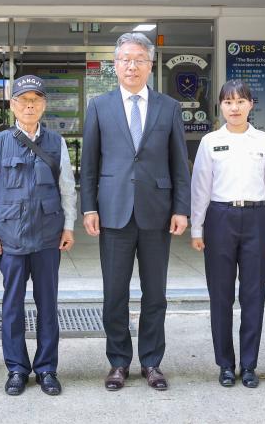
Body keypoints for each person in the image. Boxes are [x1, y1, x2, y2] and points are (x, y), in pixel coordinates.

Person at [80, 32, 191, 392]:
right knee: (115, 293)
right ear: (115, 65)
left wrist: (181, 208)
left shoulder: (168, 107)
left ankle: (152, 362)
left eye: (138, 59)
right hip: (113, 212)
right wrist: (89, 207)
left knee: (155, 293)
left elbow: (179, 164)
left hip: (157, 213)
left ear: (150, 65)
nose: (131, 65)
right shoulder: (99, 106)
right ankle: (118, 362)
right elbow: (90, 163)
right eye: (125, 59)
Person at [0, 75, 76, 397]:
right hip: (11, 236)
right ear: (13, 105)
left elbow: (67, 189)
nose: (29, 105)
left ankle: (47, 368)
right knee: (12, 307)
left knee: (48, 305)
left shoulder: (57, 143)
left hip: (48, 235)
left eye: (35, 100)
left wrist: (69, 226)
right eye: (23, 100)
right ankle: (17, 368)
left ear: (44, 104)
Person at [190, 80, 265, 389]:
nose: (234, 108)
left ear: (250, 105)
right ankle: (225, 364)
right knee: (220, 296)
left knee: (253, 295)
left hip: (257, 219)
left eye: (240, 102)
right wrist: (196, 227)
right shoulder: (209, 142)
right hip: (220, 218)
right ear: (221, 106)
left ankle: (249, 365)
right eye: (228, 102)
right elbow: (200, 189)